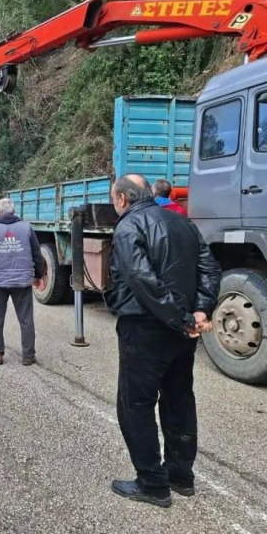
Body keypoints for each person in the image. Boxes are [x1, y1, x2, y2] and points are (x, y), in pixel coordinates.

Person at [104, 174, 221, 508]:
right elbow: (210, 269)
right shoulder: (183, 223)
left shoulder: (128, 227)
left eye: (115, 199)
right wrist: (199, 310)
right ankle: (181, 477)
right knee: (179, 398)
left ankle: (152, 483)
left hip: (145, 328)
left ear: (123, 200)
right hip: (181, 330)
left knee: (135, 405)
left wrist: (182, 317)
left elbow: (142, 280)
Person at [0, 198, 45, 366]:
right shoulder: (27, 228)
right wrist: (38, 275)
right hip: (22, 282)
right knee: (26, 319)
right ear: (13, 212)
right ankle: (28, 355)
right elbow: (37, 255)